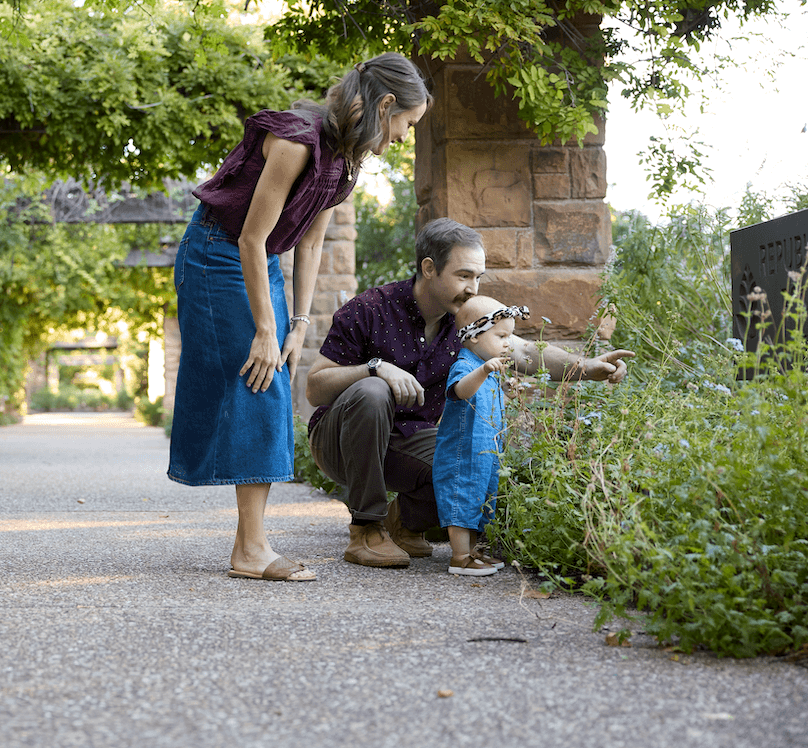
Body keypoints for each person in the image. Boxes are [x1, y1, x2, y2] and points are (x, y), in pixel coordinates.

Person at [168, 53, 432, 582]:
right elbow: (249, 237)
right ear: (385, 105)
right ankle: (253, 550)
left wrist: (298, 324)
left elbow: (310, 242)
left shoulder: (347, 162)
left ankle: (250, 547)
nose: (406, 137)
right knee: (259, 383)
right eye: (407, 123)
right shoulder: (296, 141)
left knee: (269, 384)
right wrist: (265, 330)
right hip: (217, 254)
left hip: (257, 260)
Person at [305, 218, 634, 569]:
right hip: (341, 440)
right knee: (373, 390)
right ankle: (366, 530)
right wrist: (375, 367)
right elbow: (315, 387)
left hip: (408, 440)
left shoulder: (468, 322)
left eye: (478, 277)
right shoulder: (370, 309)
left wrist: (588, 368)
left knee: (467, 466)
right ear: (429, 268)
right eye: (464, 276)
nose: (473, 288)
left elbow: (522, 351)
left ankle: (402, 522)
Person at [434, 296, 528, 576]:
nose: (508, 343)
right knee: (462, 497)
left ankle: (472, 551)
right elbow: (460, 391)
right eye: (501, 336)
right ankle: (460, 557)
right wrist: (484, 370)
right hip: (462, 453)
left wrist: (508, 391)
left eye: (510, 336)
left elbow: (491, 402)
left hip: (485, 452)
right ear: (474, 337)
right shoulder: (466, 366)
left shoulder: (488, 370)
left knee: (481, 499)